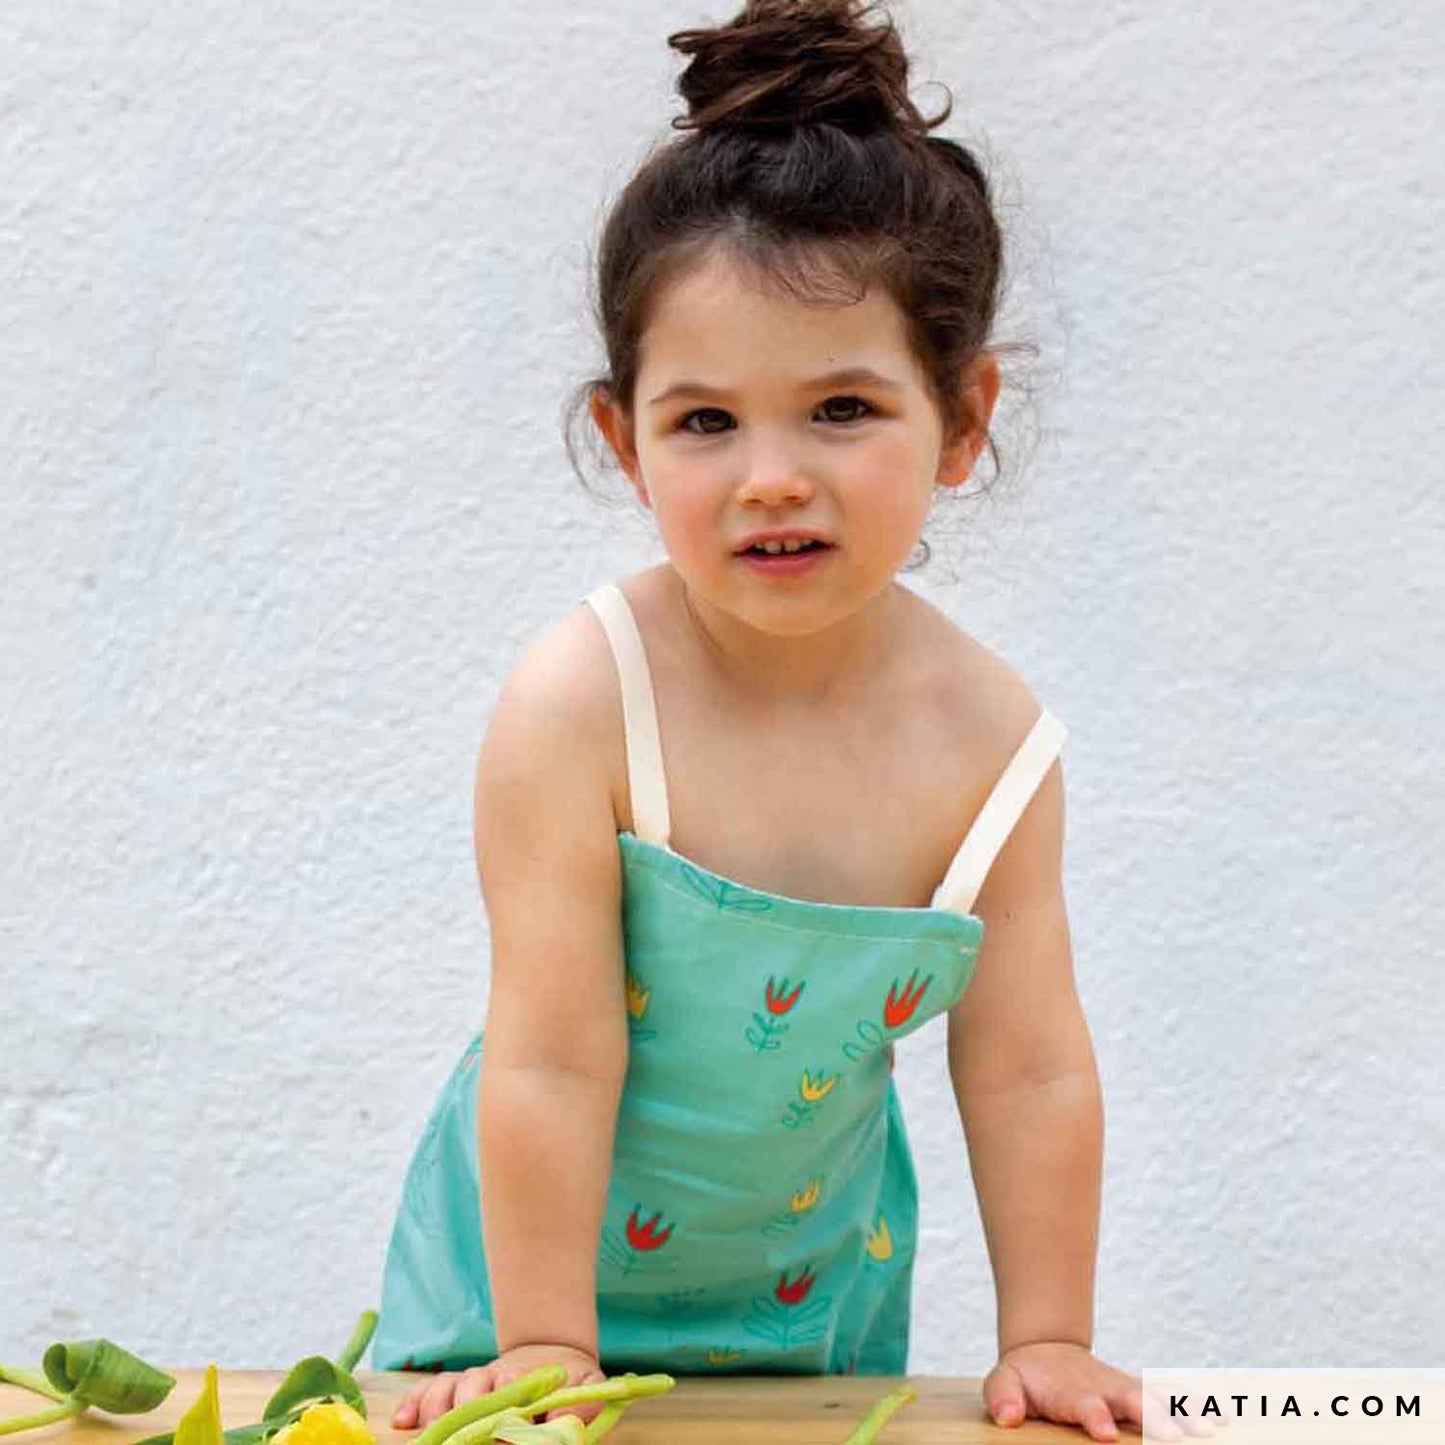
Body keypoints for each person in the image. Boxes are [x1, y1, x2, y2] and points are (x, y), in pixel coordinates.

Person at [375, 1, 1196, 1439]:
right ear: (624, 438)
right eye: (705, 421)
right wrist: (545, 1343)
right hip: (516, 1303)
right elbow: (552, 1050)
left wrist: (1050, 1334)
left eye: (839, 407)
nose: (771, 476)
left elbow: (1026, 1062)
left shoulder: (994, 750)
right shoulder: (580, 702)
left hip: (808, 1317)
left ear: (960, 417)